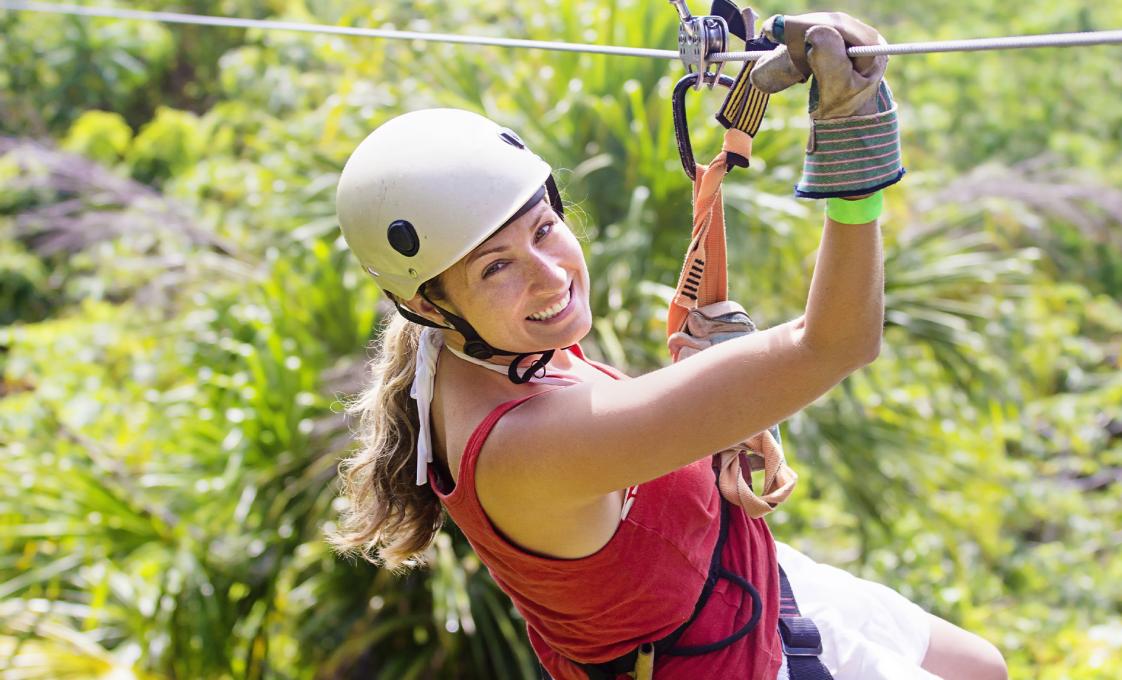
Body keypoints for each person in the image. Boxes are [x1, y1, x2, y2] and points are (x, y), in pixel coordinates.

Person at [329, 11, 1008, 680]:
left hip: (739, 584)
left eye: (542, 229)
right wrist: (855, 149)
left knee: (981, 668)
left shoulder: (474, 346)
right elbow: (835, 345)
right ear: (427, 304)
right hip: (735, 656)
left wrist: (717, 414)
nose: (549, 276)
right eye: (495, 267)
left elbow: (618, 444)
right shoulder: (522, 447)